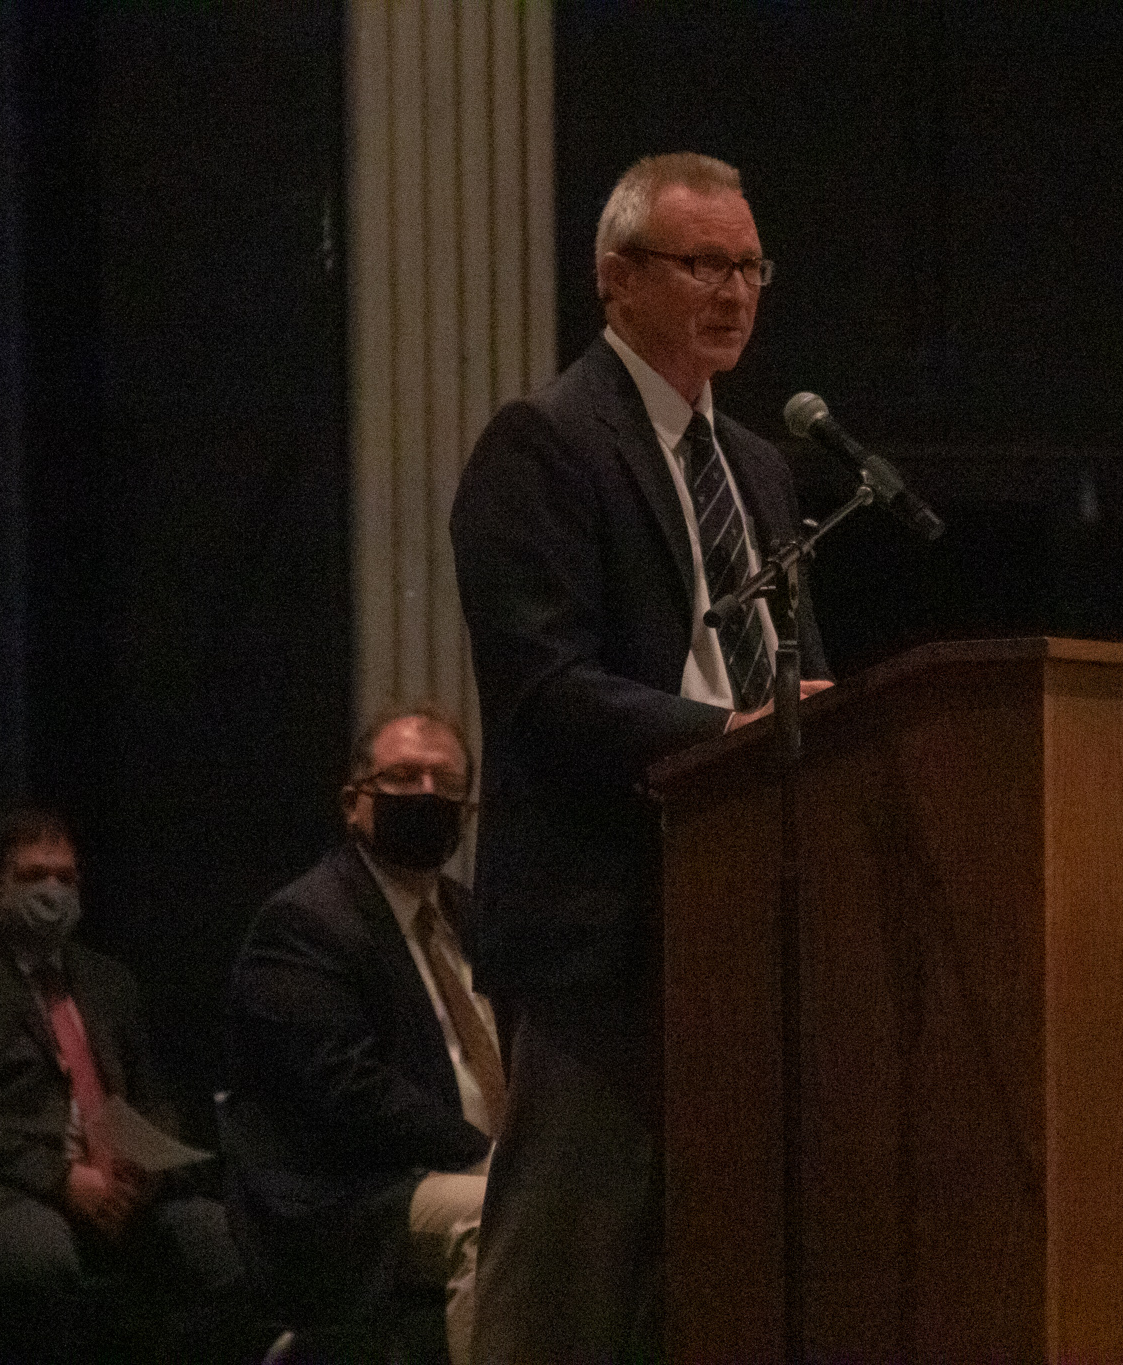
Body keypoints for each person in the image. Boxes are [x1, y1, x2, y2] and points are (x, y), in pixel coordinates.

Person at [450, 151, 832, 1361]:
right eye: (702, 264)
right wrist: (724, 738)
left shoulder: (756, 465)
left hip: (747, 917)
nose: (734, 293)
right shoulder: (545, 444)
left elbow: (793, 675)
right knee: (565, 1284)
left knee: (710, 1280)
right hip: (603, 925)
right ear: (615, 277)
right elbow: (543, 691)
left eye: (751, 267)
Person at [0, 807, 247, 1361]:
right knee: (40, 1254)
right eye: (32, 876)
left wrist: (145, 1171)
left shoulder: (107, 978)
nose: (53, 891)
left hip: (115, 1185)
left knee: (222, 1237)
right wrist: (60, 1177)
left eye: (65, 878)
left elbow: (151, 1099)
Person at [226, 705, 498, 1363]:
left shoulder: (469, 914)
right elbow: (347, 1088)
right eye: (403, 777)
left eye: (445, 782)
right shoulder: (306, 920)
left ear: (467, 812)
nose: (426, 795)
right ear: (354, 803)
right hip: (351, 1195)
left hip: (467, 1162)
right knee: (500, 1215)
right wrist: (493, 1153)